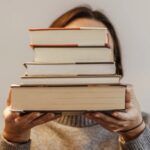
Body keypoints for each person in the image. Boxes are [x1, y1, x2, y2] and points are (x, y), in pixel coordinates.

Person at [0, 6, 150, 150]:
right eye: (71, 49)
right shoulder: (23, 125)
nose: (84, 63)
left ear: (115, 66)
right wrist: (14, 138)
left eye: (98, 50)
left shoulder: (143, 126)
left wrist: (135, 134)